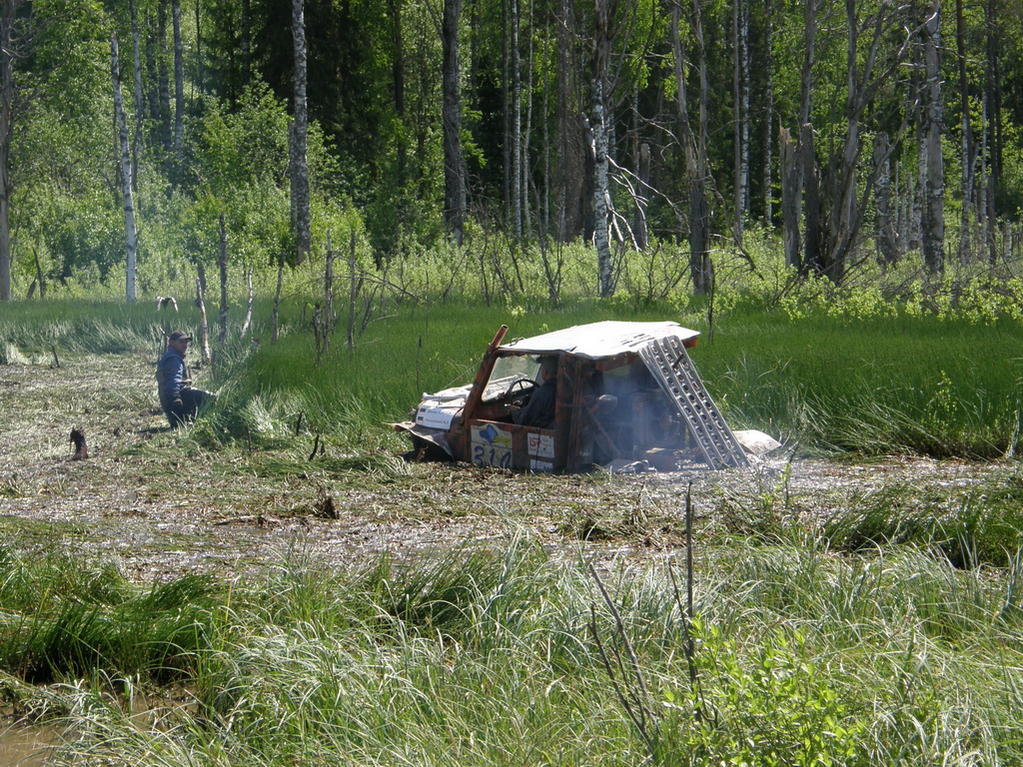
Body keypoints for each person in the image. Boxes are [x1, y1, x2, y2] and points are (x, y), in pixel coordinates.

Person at [156, 330, 214, 427]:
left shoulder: (168, 356)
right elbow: (174, 381)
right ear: (172, 343)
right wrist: (175, 400)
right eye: (181, 342)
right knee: (211, 398)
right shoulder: (174, 359)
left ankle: (189, 420)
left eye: (186, 342)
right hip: (175, 402)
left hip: (168, 404)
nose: (185, 345)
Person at [513, 356, 558, 428]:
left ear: (545, 372)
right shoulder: (563, 387)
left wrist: (515, 411)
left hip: (544, 432)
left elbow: (524, 421)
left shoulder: (543, 393)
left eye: (542, 368)